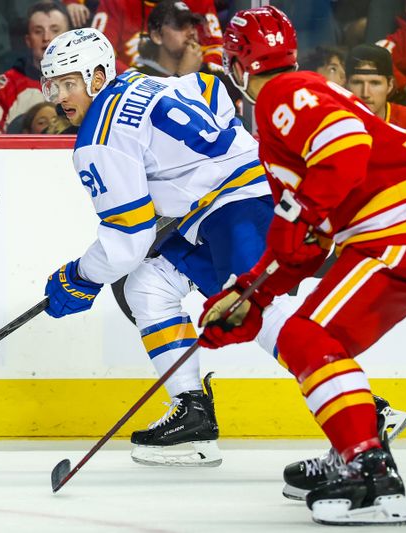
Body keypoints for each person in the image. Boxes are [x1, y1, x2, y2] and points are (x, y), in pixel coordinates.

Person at [207, 6, 406, 525]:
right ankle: (357, 447)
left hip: (399, 224)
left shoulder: (281, 95)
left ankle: (370, 475)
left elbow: (345, 150)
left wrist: (295, 212)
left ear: (239, 63)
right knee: (324, 343)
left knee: (306, 338)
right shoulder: (294, 106)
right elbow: (308, 241)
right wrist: (253, 295)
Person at [39, 27, 282, 466]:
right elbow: (212, 90)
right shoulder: (147, 82)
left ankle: (363, 407)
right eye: (53, 85)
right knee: (148, 286)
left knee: (257, 308)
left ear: (97, 78)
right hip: (232, 203)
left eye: (68, 83)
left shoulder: (98, 138)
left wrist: (79, 277)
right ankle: (192, 416)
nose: (59, 96)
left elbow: (127, 241)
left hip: (238, 209)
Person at [0, 1, 70, 134]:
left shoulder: (88, 85)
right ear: (28, 40)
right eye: (38, 31)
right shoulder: (2, 88)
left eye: (55, 30)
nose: (47, 38)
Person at [91, 0, 223, 73]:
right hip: (127, 89)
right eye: (180, 26)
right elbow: (97, 55)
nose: (191, 32)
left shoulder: (199, 3)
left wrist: (193, 76)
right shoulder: (117, 3)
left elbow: (217, 50)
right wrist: (134, 79)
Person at [345, 44, 406, 133]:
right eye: (357, 83)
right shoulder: (333, 121)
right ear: (346, 85)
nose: (365, 94)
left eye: (375, 83)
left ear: (390, 85)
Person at [132, 0, 205, 77]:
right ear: (157, 36)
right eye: (180, 25)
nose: (192, 32)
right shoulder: (138, 76)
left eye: (193, 25)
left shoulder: (212, 73)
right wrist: (183, 75)